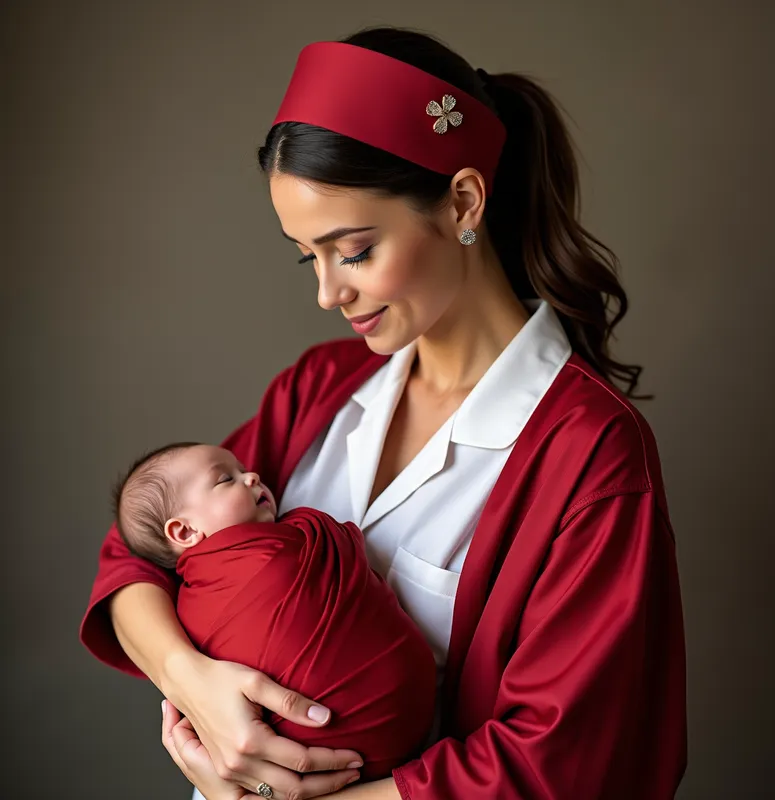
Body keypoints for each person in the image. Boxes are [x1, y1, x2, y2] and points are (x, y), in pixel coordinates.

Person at [81, 26, 687, 800]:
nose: (328, 293)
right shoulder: (319, 388)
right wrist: (190, 679)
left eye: (355, 250)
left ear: (464, 200)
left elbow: (565, 760)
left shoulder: (589, 453)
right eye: (310, 256)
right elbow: (138, 548)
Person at [111, 441, 436, 782]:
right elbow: (121, 553)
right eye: (226, 479)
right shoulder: (210, 597)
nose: (251, 476)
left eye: (242, 470)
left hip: (389, 777)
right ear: (184, 531)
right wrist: (179, 669)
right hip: (273, 767)